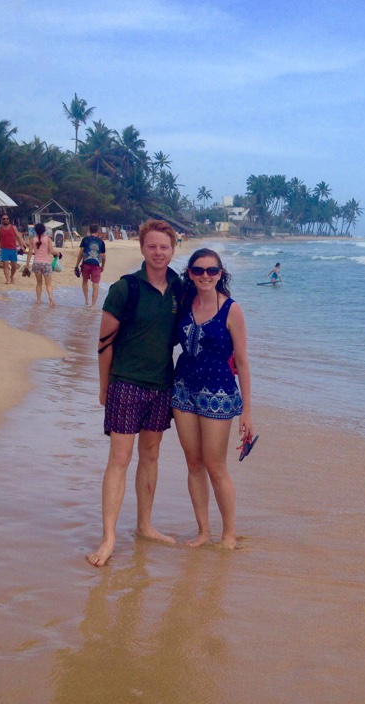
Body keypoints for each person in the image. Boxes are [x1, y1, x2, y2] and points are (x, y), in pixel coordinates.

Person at [87, 220, 184, 567]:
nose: (158, 253)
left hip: (161, 384)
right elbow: (104, 343)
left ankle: (145, 525)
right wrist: (104, 387)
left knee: (151, 455)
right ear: (142, 248)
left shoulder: (180, 288)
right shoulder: (124, 288)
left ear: (173, 250)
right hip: (126, 382)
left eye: (164, 247)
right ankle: (108, 538)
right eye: (152, 246)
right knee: (120, 457)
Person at [172, 248, 252, 550]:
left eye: (212, 270)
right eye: (198, 270)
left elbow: (242, 362)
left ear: (220, 274)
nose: (205, 275)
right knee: (194, 463)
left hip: (218, 394)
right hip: (183, 390)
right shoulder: (183, 303)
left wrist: (247, 411)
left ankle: (229, 534)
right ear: (190, 274)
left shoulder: (232, 309)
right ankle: (203, 531)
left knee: (215, 466)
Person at [24, 222, 63, 307]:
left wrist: (27, 265)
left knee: (39, 283)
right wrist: (58, 254)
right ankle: (50, 298)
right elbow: (52, 251)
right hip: (46, 263)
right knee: (48, 284)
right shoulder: (48, 239)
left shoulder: (32, 239)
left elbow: (29, 253)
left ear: (35, 230)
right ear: (44, 230)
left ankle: (38, 300)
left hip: (36, 263)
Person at [76, 224, 107, 307]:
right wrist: (102, 266)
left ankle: (87, 300)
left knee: (85, 281)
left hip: (86, 264)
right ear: (97, 231)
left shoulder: (85, 239)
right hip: (96, 265)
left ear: (89, 231)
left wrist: (77, 264)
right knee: (95, 284)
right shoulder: (101, 242)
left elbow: (80, 253)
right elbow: (104, 258)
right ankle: (93, 305)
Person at [0, 214, 26, 285]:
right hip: (4, 249)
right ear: (1, 220)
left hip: (13, 249)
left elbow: (19, 237)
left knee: (14, 266)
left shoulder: (13, 228)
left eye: (7, 218)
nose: (6, 220)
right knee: (5, 264)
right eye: (4, 219)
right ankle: (8, 279)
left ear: (9, 219)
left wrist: (21, 246)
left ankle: (12, 276)